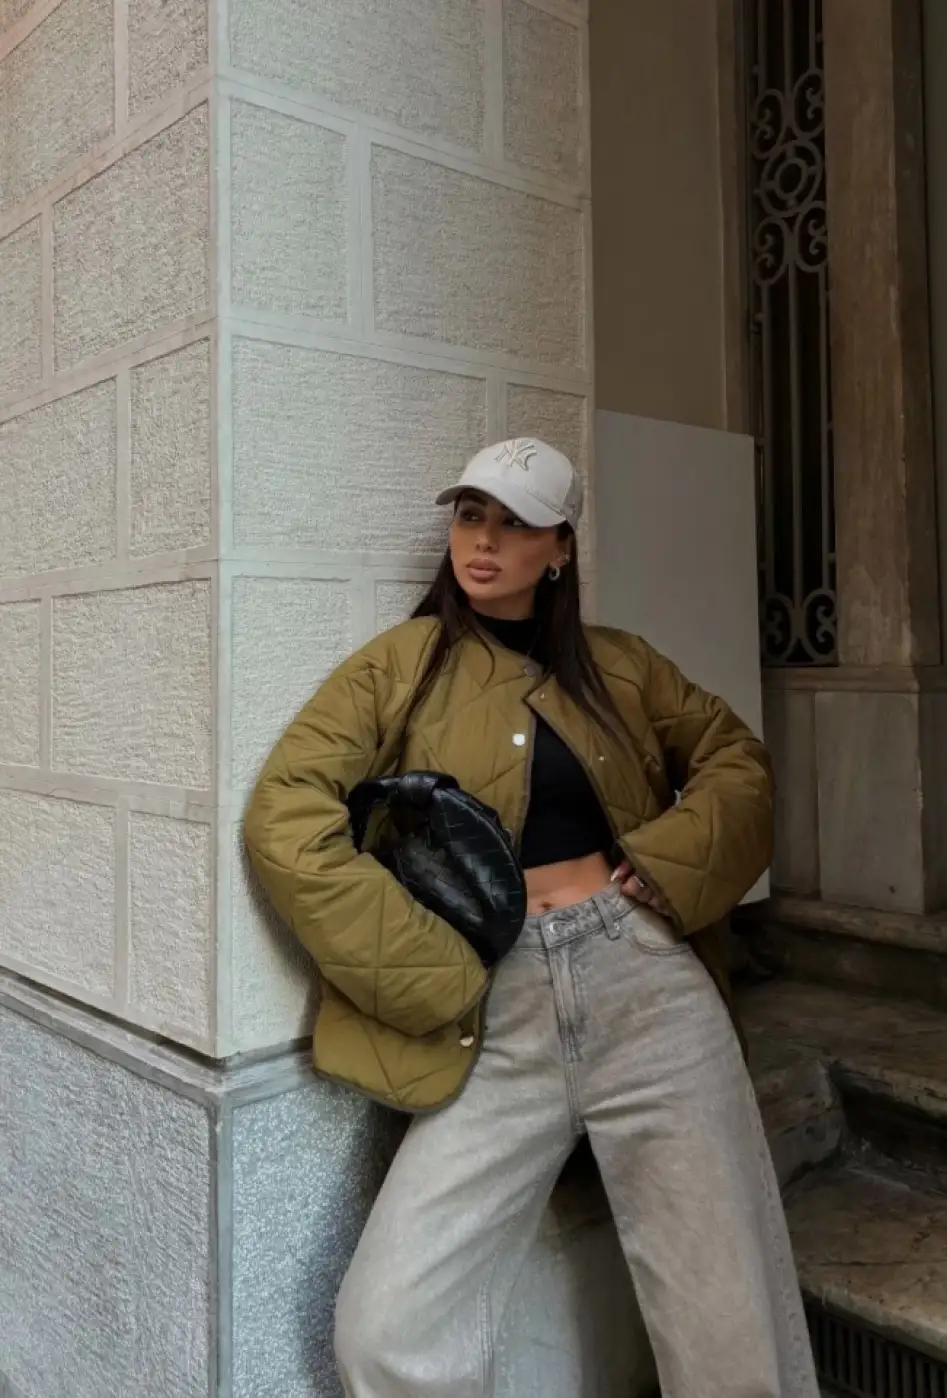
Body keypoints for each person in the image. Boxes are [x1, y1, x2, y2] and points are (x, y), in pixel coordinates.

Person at [244, 438, 820, 1398]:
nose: (485, 541)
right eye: (472, 516)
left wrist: (667, 863)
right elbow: (286, 812)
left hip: (646, 991)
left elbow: (737, 760)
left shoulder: (622, 667)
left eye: (516, 524)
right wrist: (428, 966)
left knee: (727, 1326)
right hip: (492, 1017)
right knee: (388, 1328)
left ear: (560, 549)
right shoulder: (401, 665)